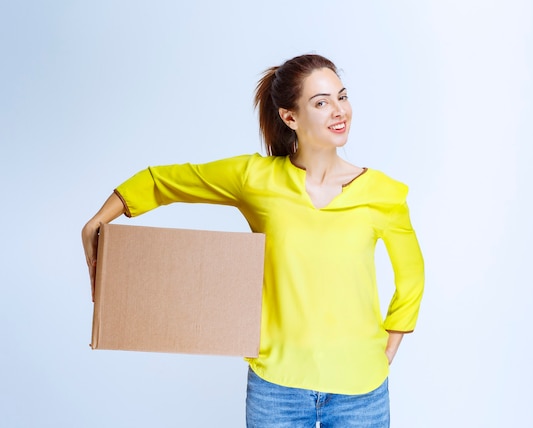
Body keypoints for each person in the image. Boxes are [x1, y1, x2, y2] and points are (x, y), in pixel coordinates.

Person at [82, 53, 424, 428]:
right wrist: (98, 220)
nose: (339, 111)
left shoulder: (385, 193)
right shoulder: (256, 179)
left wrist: (384, 353)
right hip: (277, 390)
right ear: (289, 117)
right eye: (321, 102)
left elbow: (411, 279)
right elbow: (162, 181)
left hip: (361, 392)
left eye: (342, 97)